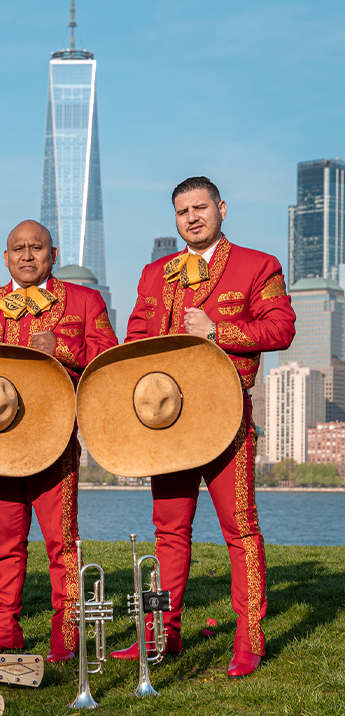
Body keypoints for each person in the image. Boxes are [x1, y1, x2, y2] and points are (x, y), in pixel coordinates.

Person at [111, 176, 296, 677]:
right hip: (166, 425)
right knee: (168, 531)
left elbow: (282, 329)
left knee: (241, 529)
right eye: (181, 211)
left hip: (228, 418)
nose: (191, 217)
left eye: (200, 208)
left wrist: (219, 331)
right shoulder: (154, 274)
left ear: (222, 209)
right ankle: (159, 636)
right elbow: (133, 343)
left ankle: (250, 639)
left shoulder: (259, 265)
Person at [0, 219, 118, 663]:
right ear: (6, 257)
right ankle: (2, 631)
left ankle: (66, 636)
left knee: (61, 543)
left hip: (56, 441)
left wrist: (63, 349)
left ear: (53, 254)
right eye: (17, 249)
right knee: (4, 544)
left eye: (36, 247)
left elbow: (109, 362)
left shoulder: (85, 301)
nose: (27, 255)